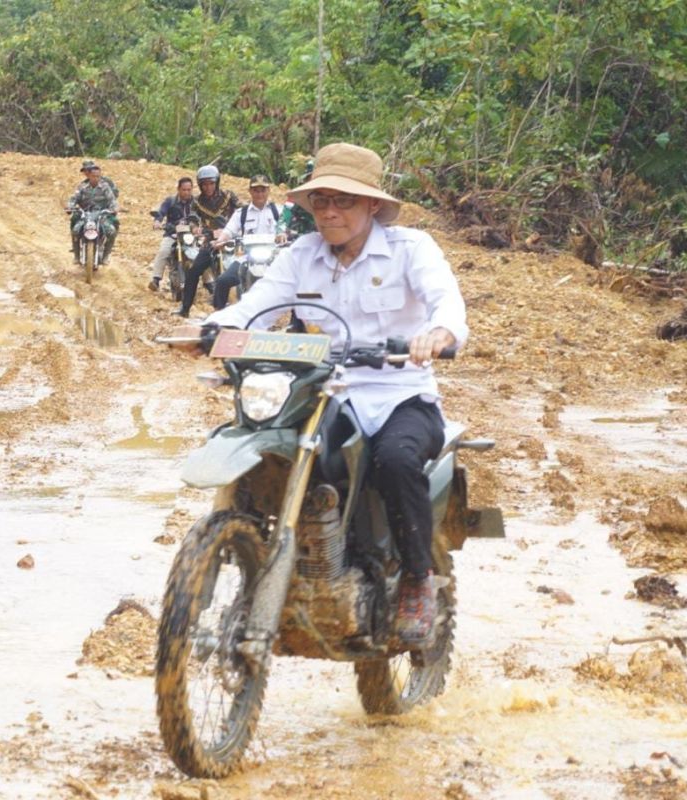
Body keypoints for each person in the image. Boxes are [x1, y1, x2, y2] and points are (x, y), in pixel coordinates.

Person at [202, 142, 468, 645]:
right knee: (275, 446)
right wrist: (212, 328)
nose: (329, 211)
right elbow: (257, 304)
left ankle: (416, 581)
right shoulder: (302, 254)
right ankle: (277, 557)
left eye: (343, 200)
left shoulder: (411, 250)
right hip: (328, 390)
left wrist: (438, 335)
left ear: (372, 205)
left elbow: (445, 304)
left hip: (399, 392)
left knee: (394, 460)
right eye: (321, 199)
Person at [179, 174, 281, 316]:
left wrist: (284, 236)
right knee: (221, 280)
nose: (259, 194)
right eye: (256, 190)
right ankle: (217, 316)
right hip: (244, 255)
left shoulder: (278, 211)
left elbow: (287, 228)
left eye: (263, 190)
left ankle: (297, 322)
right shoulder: (242, 213)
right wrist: (219, 239)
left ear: (269, 190)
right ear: (250, 191)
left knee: (297, 279)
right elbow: (229, 229)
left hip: (273, 258)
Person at [174, 164, 239, 314]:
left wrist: (228, 230)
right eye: (204, 184)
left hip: (231, 239)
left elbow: (241, 212)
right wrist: (195, 228)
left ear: (217, 182)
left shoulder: (229, 196)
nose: (208, 187)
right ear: (200, 185)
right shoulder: (197, 202)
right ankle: (185, 308)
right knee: (194, 270)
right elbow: (192, 218)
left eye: (211, 183)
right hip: (210, 240)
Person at [147, 177, 197, 292]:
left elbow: (202, 216)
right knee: (163, 251)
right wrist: (157, 221)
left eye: (189, 190)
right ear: (178, 189)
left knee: (202, 253)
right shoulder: (170, 201)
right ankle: (156, 279)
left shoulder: (196, 203)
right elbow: (161, 212)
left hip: (190, 235)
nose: (187, 192)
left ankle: (209, 283)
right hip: (172, 233)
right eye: (184, 190)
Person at [66, 160, 118, 265]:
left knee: (112, 231)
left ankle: (105, 256)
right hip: (85, 214)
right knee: (75, 230)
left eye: (98, 176)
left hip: (101, 215)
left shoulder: (105, 186)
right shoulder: (82, 187)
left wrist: (113, 209)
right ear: (89, 176)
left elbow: (112, 200)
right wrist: (70, 207)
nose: (96, 178)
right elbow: (74, 198)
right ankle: (76, 255)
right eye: (94, 176)